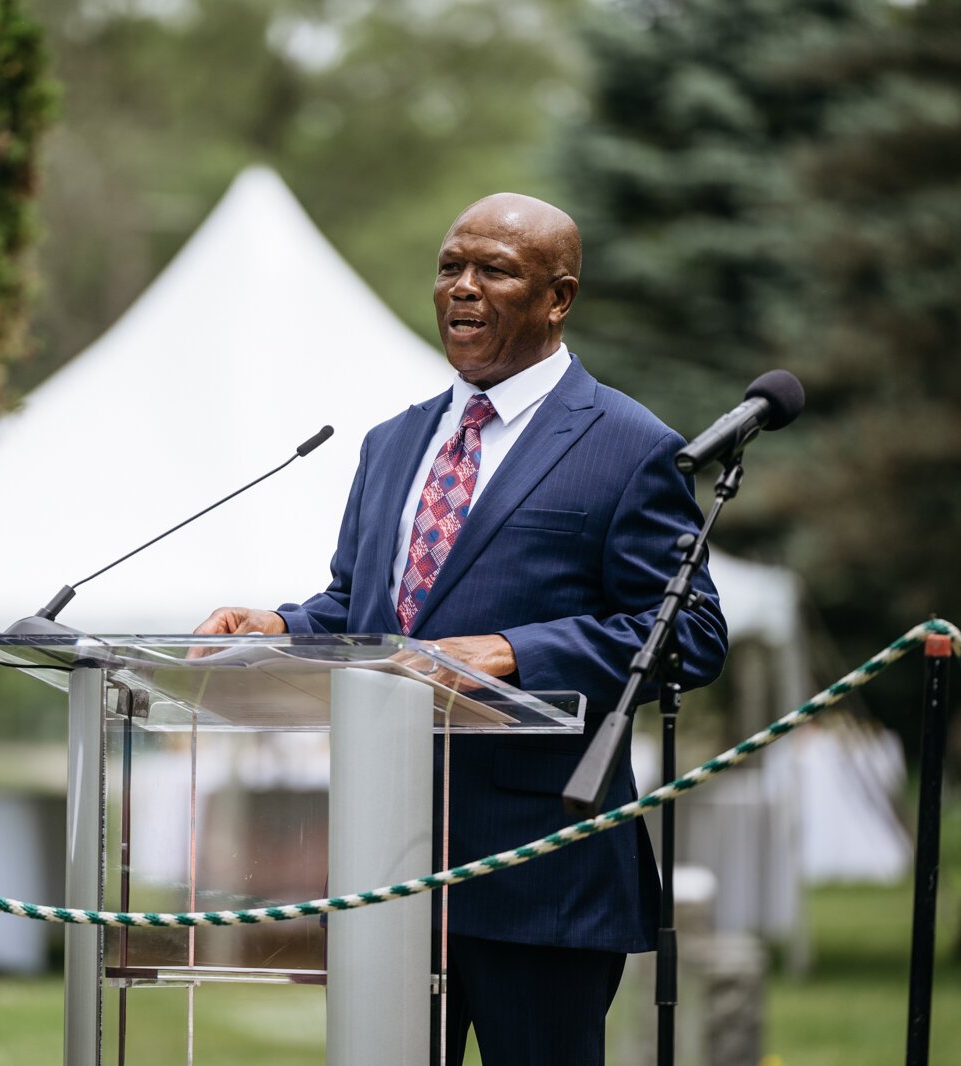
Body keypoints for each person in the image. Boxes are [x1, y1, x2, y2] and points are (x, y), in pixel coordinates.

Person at [194, 193, 729, 1065]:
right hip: (387, 864)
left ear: (557, 298)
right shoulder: (391, 444)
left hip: (538, 877)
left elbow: (689, 632)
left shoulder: (630, 446)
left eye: (494, 271)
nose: (462, 289)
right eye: (450, 267)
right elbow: (363, 612)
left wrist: (518, 650)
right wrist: (281, 624)